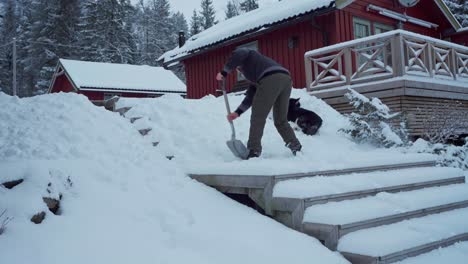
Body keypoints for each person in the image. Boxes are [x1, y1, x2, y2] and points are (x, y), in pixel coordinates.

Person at [216, 47, 302, 159]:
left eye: (238, 67)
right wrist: (237, 112)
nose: (239, 70)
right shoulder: (258, 71)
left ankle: (253, 150)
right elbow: (251, 96)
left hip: (271, 78)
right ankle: (295, 145)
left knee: (258, 117)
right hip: (285, 79)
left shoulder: (246, 54)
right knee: (280, 119)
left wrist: (224, 72)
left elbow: (240, 53)